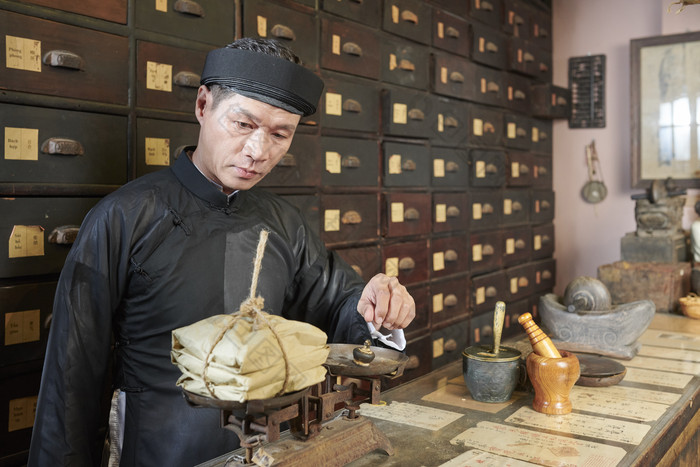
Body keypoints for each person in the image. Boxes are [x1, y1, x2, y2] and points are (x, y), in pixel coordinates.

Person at [29, 38, 415, 466]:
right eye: (243, 125)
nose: (258, 151)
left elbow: (339, 302)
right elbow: (72, 377)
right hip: (159, 447)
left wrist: (376, 308)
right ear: (202, 105)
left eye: (280, 134)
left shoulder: (284, 222)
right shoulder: (124, 217)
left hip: (270, 447)